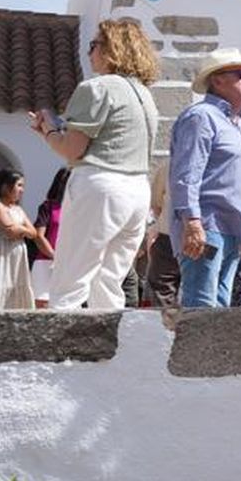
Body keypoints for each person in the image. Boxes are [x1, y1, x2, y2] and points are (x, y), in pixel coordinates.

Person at [27, 19, 160, 310]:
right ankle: (111, 353)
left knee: (70, 278)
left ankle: (60, 353)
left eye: (94, 45)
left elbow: (73, 151)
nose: (89, 53)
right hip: (137, 189)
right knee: (109, 282)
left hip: (101, 184)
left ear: (111, 49)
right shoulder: (145, 95)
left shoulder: (97, 88)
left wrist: (48, 129)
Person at [169, 48, 241, 308]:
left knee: (219, 311)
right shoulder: (201, 117)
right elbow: (186, 174)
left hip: (230, 230)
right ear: (217, 80)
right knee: (201, 306)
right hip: (207, 226)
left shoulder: (237, 125)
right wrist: (192, 222)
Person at [26, 168, 67, 307]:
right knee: (43, 307)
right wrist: (55, 256)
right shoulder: (48, 206)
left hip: (69, 264)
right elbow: (39, 236)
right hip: (45, 263)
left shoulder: (77, 208)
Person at [143, 154, 181, 308]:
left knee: (162, 289)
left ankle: (164, 329)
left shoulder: (170, 164)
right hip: (210, 235)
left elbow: (157, 204)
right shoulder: (222, 160)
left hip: (170, 234)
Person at [0, 168, 39, 309]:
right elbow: (10, 230)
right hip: (4, 253)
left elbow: (34, 233)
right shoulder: (0, 206)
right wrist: (23, 230)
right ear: (6, 186)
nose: (22, 190)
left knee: (18, 285)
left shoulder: (18, 209)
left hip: (18, 255)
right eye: (19, 185)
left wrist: (20, 230)